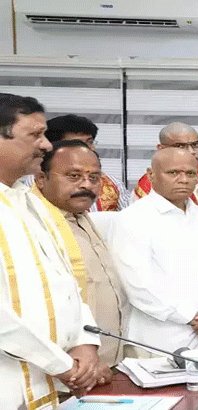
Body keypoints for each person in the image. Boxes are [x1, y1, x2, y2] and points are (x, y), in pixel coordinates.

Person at [0, 93, 102, 408]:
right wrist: (60, 363)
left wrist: (86, 343)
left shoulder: (32, 202)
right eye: (35, 135)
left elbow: (68, 284)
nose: (46, 145)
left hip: (53, 382)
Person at [111, 148, 198, 355]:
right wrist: (192, 317)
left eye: (190, 173)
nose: (183, 180)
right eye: (173, 173)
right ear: (151, 175)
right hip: (158, 341)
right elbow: (137, 285)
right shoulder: (132, 218)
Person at [35, 139, 128, 382]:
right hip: (70, 373)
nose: (86, 185)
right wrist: (75, 364)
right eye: (74, 176)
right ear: (41, 178)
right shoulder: (34, 226)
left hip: (108, 366)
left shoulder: (83, 218)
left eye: (94, 177)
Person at [133, 122, 198, 242]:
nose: (191, 151)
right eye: (180, 146)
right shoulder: (149, 185)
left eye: (195, 145)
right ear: (161, 148)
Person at [45, 114, 130, 211]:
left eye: (90, 142)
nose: (87, 149)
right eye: (77, 143)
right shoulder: (39, 184)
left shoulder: (112, 184)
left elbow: (129, 218)